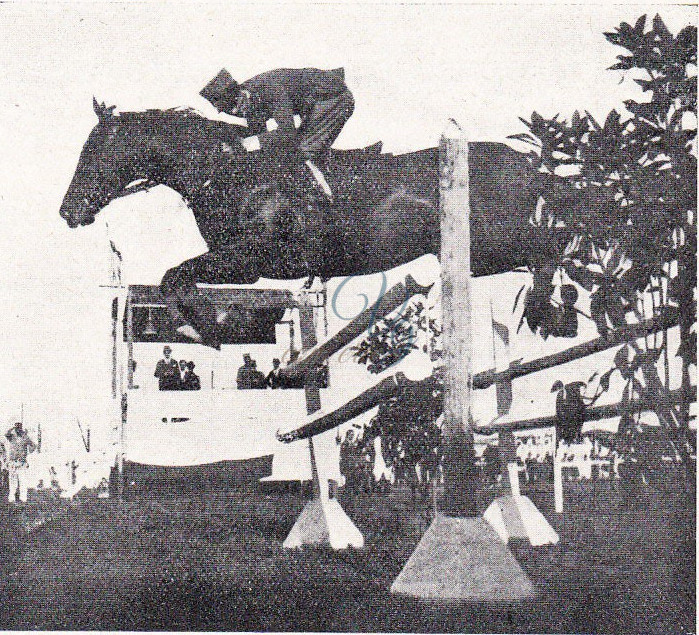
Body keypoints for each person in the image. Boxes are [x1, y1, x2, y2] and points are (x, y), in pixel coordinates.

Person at [199, 67, 354, 200]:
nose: (235, 111)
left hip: (333, 97)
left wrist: (247, 143)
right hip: (311, 103)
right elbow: (259, 133)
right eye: (228, 110)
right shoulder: (245, 101)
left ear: (241, 92)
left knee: (302, 150)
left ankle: (328, 196)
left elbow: (287, 133)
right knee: (280, 150)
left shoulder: (269, 89)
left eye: (234, 104)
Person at [5, 422, 37, 504]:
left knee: (22, 481)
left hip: (22, 463)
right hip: (12, 462)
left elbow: (33, 445)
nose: (17, 430)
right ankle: (12, 497)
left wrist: (29, 451)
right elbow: (6, 434)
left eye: (19, 428)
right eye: (16, 428)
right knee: (12, 481)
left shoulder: (25, 437)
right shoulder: (12, 437)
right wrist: (12, 428)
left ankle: (23, 498)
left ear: (21, 428)